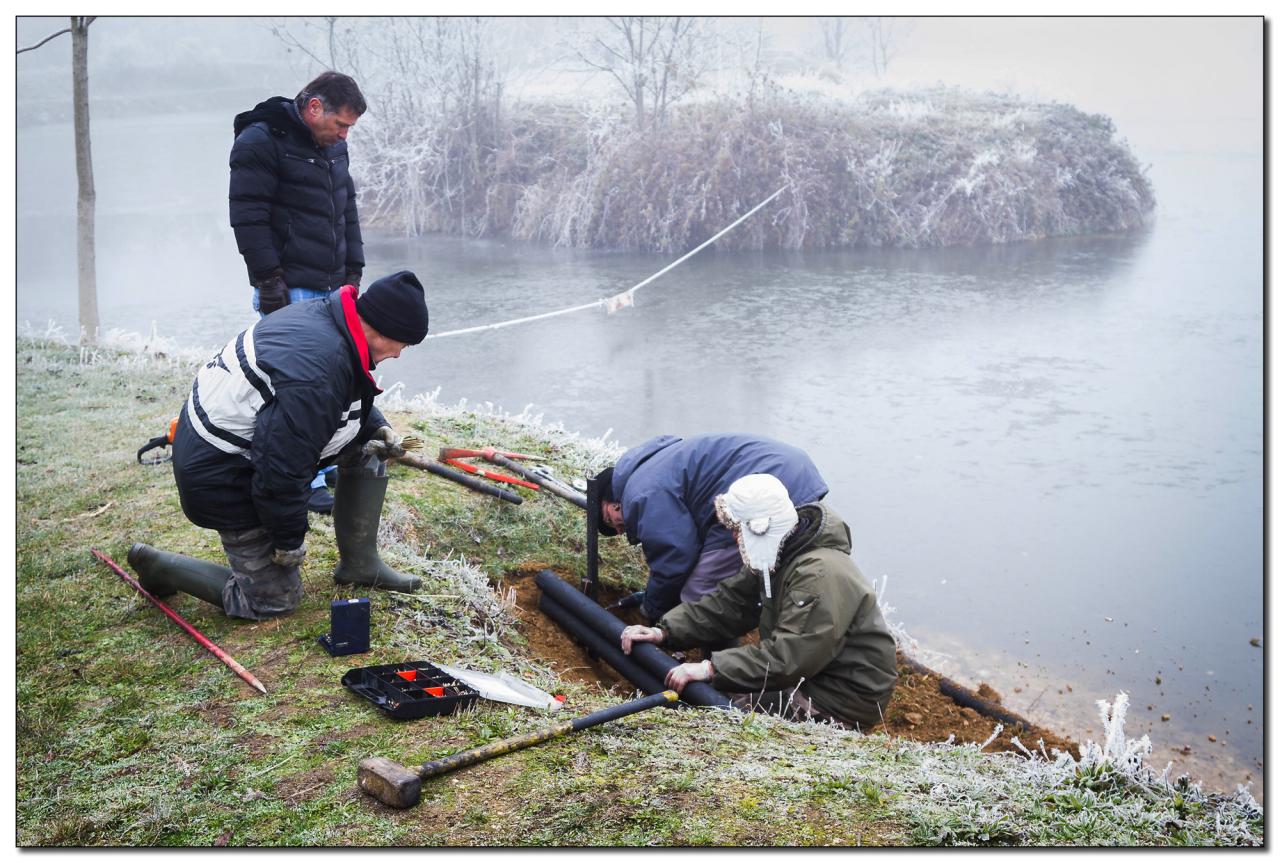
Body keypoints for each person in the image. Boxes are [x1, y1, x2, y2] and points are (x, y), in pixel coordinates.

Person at [128, 271, 430, 621]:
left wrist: (375, 427)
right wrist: (289, 540)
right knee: (273, 600)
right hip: (219, 474)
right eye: (403, 344)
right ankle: (161, 567)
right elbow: (282, 467)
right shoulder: (318, 368)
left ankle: (360, 564)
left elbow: (340, 390)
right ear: (380, 330)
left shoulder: (334, 322)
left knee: (370, 446)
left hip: (244, 448)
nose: (399, 354)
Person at [620, 474, 898, 730]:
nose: (733, 537)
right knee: (717, 695)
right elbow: (730, 603)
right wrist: (664, 631)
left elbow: (790, 656)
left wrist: (710, 668)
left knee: (717, 718)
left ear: (760, 527)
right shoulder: (783, 553)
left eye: (737, 529)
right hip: (810, 676)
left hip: (837, 699)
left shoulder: (818, 574)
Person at [229, 70, 368, 512]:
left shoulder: (333, 147)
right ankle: (300, 481)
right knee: (297, 390)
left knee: (335, 384)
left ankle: (325, 465)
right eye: (341, 124)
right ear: (313, 108)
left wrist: (354, 272)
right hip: (290, 291)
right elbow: (247, 217)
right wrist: (268, 281)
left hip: (333, 287)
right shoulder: (260, 141)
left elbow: (346, 210)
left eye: (349, 128)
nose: (344, 134)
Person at [596, 433, 828, 622]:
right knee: (770, 579)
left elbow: (675, 557)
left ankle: (713, 667)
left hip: (763, 489)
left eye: (609, 520)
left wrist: (653, 610)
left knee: (699, 594)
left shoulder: (641, 494)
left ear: (615, 502)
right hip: (793, 472)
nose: (619, 531)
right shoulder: (651, 470)